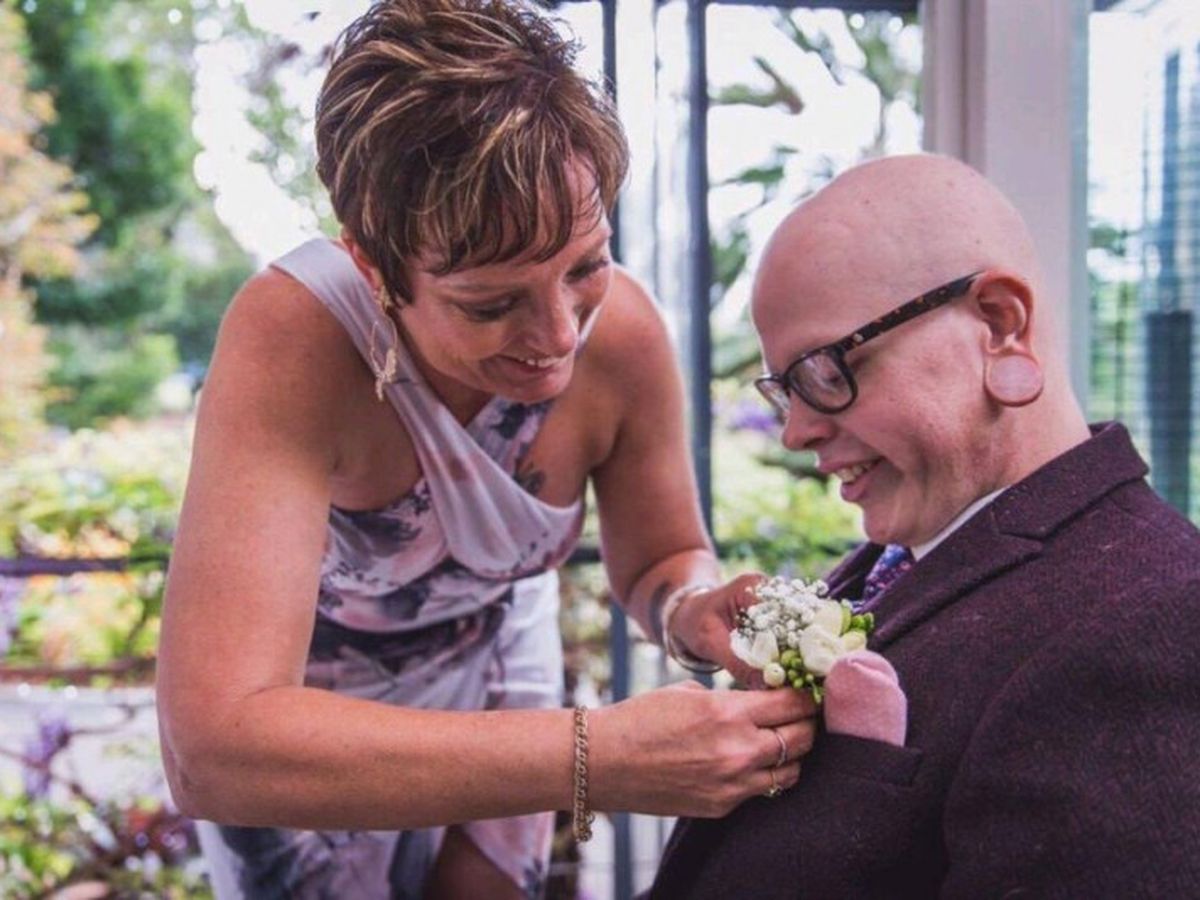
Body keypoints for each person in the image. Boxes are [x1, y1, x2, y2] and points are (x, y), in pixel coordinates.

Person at [155, 2, 814, 898]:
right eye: (490, 303)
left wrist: (691, 610)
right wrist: (597, 755)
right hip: (307, 738)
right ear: (375, 269)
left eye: (585, 265)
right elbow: (213, 751)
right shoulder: (294, 341)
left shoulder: (622, 335)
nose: (559, 336)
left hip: (508, 672)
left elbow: (662, 559)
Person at [645, 153, 1200, 899]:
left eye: (827, 371)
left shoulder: (1150, 625)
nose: (797, 432)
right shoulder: (910, 557)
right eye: (786, 390)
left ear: (1000, 323)